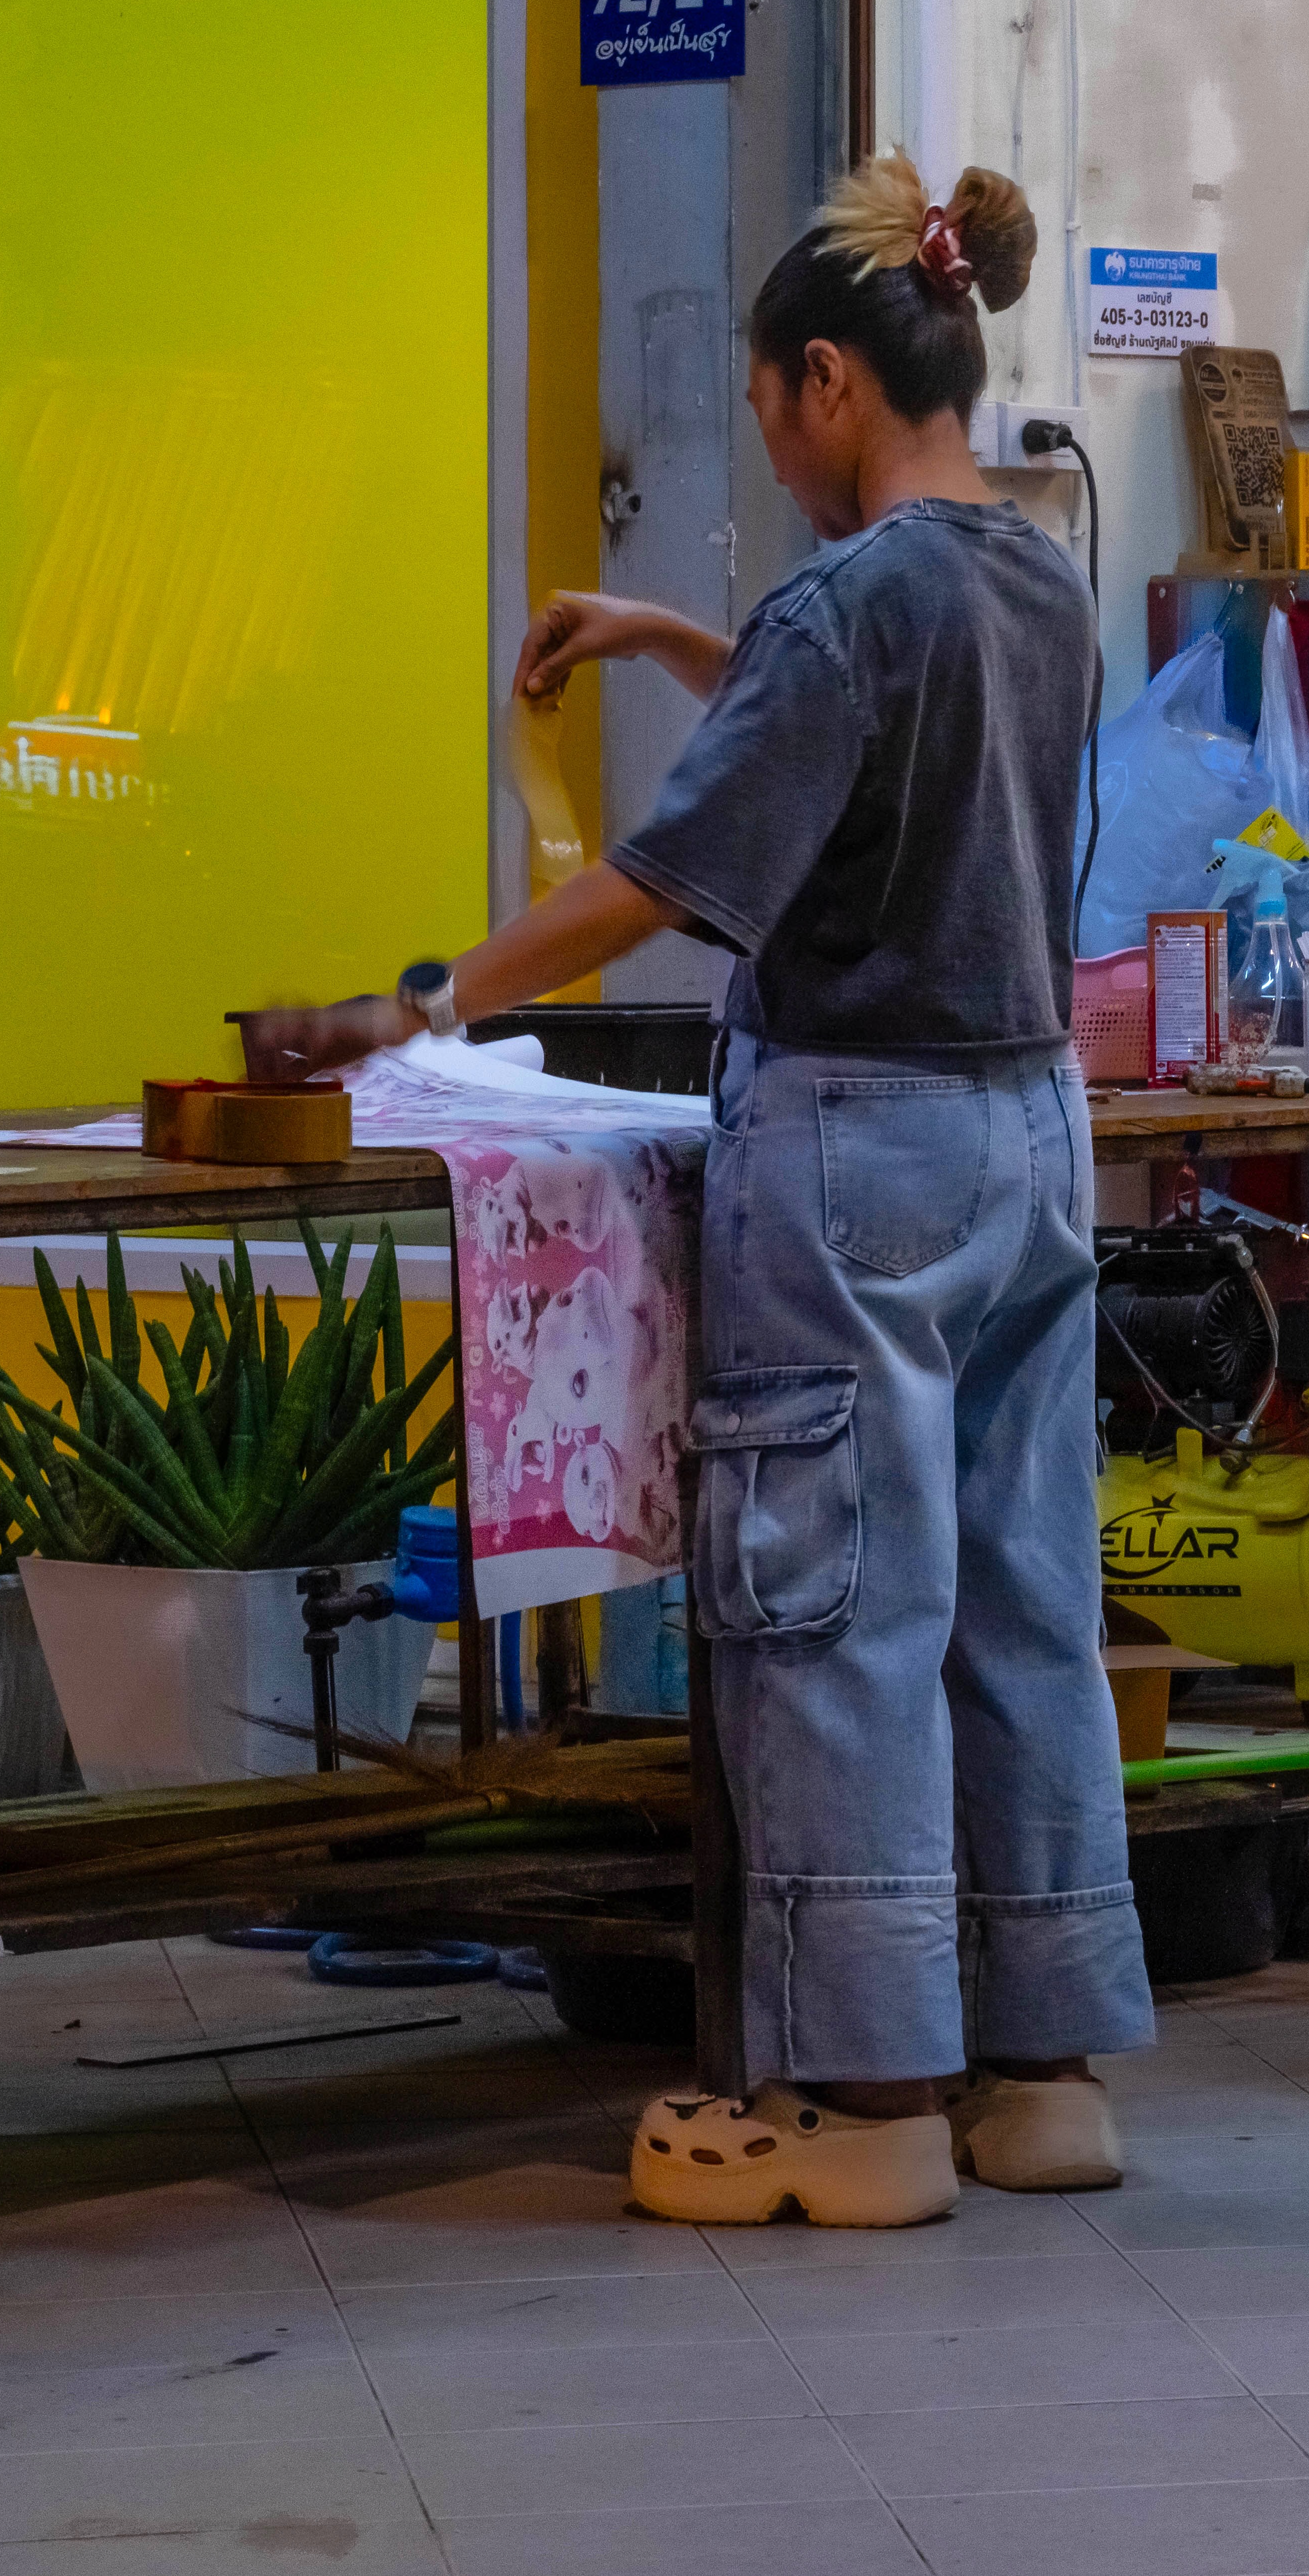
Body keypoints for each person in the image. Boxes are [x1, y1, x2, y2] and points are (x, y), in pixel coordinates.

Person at [245, 153, 1141, 2225]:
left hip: (858, 1160)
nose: (774, 442)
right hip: (1030, 1141)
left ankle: (869, 2099)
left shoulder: (851, 601)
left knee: (831, 1609)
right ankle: (1041, 2071)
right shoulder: (1031, 578)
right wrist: (670, 635)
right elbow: (857, 710)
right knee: (1018, 1608)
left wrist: (413, 1005)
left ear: (824, 378)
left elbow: (669, 878)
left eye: (766, 409)